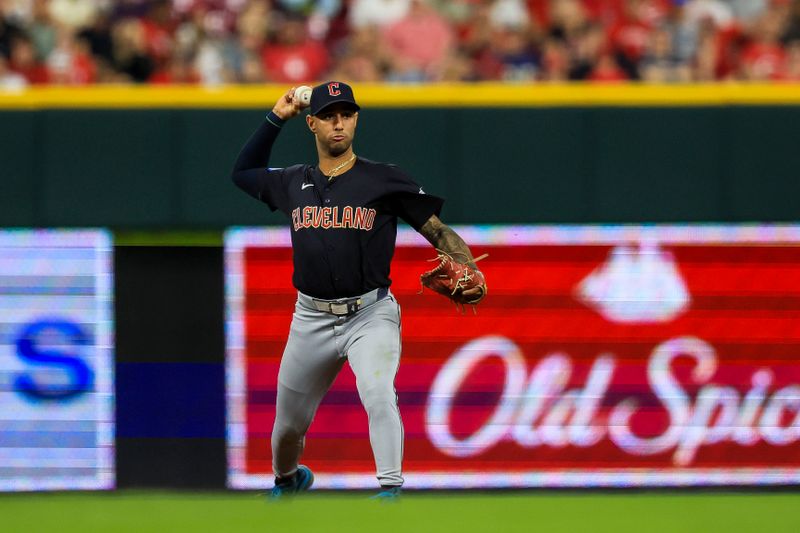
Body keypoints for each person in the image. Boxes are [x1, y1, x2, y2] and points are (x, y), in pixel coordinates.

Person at [230, 81, 486, 499]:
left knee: (377, 390)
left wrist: (469, 265)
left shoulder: (384, 179)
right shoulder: (293, 182)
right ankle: (288, 479)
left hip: (371, 313)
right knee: (287, 426)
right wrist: (276, 117)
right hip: (310, 316)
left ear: (356, 120)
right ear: (312, 123)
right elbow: (242, 173)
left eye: (346, 114)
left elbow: (437, 231)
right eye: (329, 115)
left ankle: (390, 490)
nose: (338, 123)